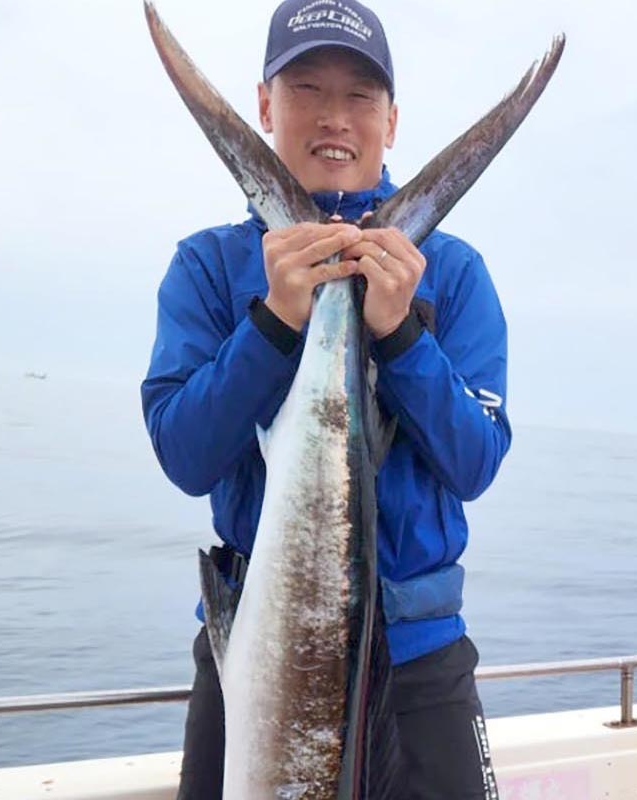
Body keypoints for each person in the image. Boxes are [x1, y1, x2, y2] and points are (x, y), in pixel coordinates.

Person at [142, 1, 511, 797]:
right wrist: (273, 323)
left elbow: (475, 462)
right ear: (266, 104)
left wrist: (402, 336)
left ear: (391, 119)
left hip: (422, 670)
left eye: (359, 96)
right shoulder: (208, 268)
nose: (333, 117)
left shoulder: (452, 274)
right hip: (262, 660)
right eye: (306, 88)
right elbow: (184, 453)